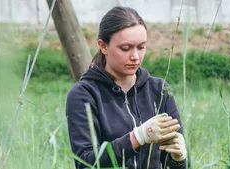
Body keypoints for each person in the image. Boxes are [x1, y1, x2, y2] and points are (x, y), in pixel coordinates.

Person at [66, 6, 187, 169]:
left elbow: (174, 163)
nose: (135, 57)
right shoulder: (84, 94)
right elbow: (85, 163)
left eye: (141, 47)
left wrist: (178, 158)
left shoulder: (159, 90)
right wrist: (138, 137)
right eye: (125, 48)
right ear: (103, 46)